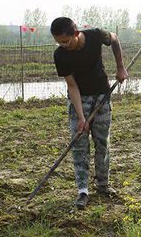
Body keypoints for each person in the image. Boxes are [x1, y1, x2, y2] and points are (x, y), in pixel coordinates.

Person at [50, 17, 128, 209]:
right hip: (79, 99)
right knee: (79, 145)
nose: (62, 45)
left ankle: (103, 185)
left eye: (65, 41)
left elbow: (115, 39)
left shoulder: (95, 35)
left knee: (102, 142)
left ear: (75, 34)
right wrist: (81, 117)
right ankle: (82, 191)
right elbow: (72, 85)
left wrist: (120, 67)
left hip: (102, 95)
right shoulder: (60, 55)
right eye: (58, 42)